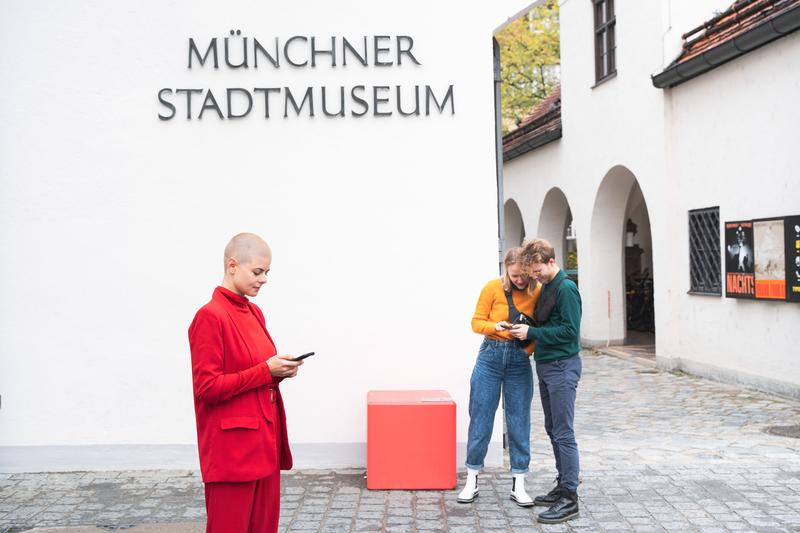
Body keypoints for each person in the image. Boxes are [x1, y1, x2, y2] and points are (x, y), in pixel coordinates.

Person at [188, 233, 302, 533]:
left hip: (265, 441)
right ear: (232, 265)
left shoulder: (254, 312)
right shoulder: (210, 317)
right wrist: (266, 371)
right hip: (232, 451)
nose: (263, 279)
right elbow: (208, 388)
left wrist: (279, 372)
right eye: (257, 272)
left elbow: (256, 373)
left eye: (267, 273)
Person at [457, 247, 542, 507]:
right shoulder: (492, 288)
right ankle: (471, 478)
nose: (520, 280)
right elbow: (476, 322)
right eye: (515, 275)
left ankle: (519, 482)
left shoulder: (536, 290)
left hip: (518, 360)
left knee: (519, 420)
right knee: (481, 416)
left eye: (524, 275)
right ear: (506, 269)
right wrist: (496, 326)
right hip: (490, 357)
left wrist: (527, 346)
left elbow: (541, 327)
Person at [510, 238, 582, 524]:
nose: (535, 277)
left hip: (563, 366)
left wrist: (532, 334)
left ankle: (570, 498)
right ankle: (563, 484)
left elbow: (569, 331)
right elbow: (548, 324)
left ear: (551, 261)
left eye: (538, 271)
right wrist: (525, 326)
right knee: (553, 427)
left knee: (563, 432)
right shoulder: (550, 286)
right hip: (548, 365)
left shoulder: (566, 289)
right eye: (532, 273)